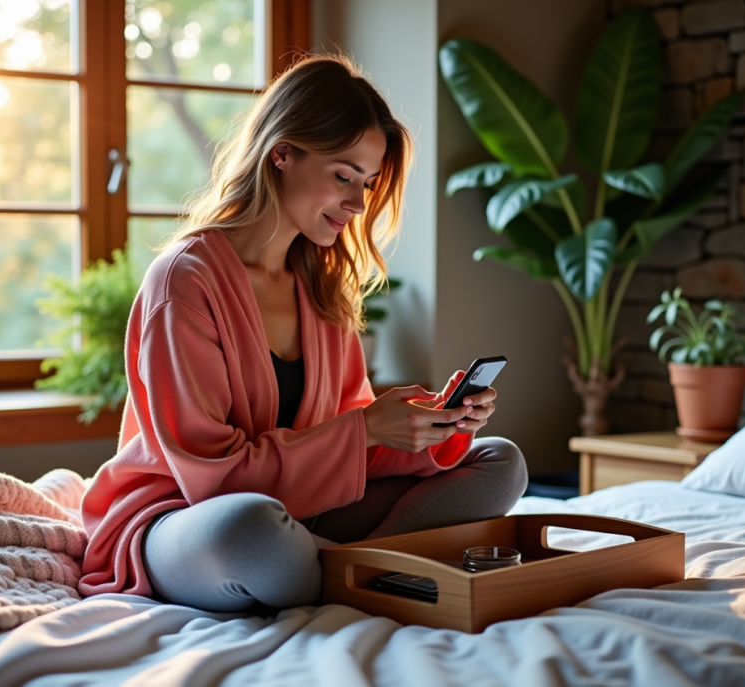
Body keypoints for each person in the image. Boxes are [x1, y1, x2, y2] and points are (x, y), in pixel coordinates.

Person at [79, 54, 528, 612]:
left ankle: (346, 570)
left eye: (368, 182)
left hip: (308, 510)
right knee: (252, 530)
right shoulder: (184, 282)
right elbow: (216, 483)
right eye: (344, 175)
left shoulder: (322, 285)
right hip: (185, 516)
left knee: (499, 462)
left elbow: (344, 446)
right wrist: (364, 429)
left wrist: (426, 428)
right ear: (282, 154)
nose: (358, 203)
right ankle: (367, 570)